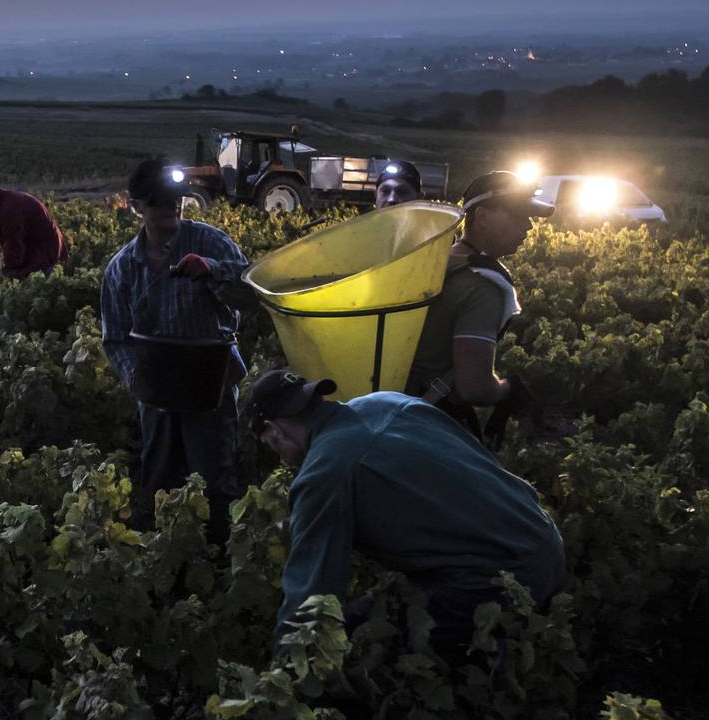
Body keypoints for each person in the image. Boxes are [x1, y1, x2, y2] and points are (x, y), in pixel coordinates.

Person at [247, 368, 565, 652]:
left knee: (360, 635)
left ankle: (488, 666)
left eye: (269, 444)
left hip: (509, 580)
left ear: (274, 432)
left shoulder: (324, 473)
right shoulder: (388, 401)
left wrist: (283, 676)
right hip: (546, 536)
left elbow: (310, 599)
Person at [100, 158, 250, 540]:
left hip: (211, 385)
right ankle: (162, 555)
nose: (171, 207)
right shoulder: (121, 270)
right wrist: (137, 378)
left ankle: (217, 556)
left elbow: (251, 295)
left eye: (175, 199)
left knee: (214, 478)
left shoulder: (211, 243)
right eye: (160, 201)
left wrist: (214, 271)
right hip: (156, 390)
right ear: (137, 207)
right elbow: (115, 338)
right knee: (159, 478)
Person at [405, 171, 554, 441]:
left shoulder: (437, 262)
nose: (529, 226)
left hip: (393, 404)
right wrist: (508, 391)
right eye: (519, 215)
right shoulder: (483, 287)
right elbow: (474, 387)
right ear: (482, 216)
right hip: (427, 423)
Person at [0, 174, 69, 278]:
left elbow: (13, 244)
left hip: (46, 260)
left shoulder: (8, 210)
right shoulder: (9, 200)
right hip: (48, 252)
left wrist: (9, 271)